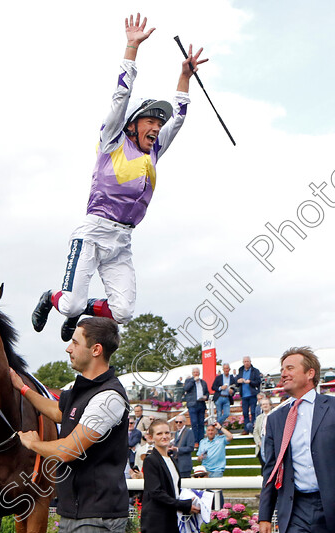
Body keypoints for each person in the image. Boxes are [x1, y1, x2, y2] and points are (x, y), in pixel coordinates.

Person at [31, 12, 208, 342]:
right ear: (131, 124)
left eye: (158, 124)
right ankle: (51, 297)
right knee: (69, 305)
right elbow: (120, 96)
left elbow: (179, 118)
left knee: (124, 312)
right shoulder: (113, 138)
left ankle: (83, 308)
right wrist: (132, 47)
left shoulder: (153, 151)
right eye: (150, 122)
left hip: (123, 241)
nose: (156, 128)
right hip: (93, 232)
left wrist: (184, 76)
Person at [12, 317, 129, 533]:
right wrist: (23, 389)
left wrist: (34, 444)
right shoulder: (82, 387)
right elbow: (59, 412)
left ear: (96, 349)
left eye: (75, 342)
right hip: (75, 514)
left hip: (96, 518)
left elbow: (69, 450)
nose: (68, 348)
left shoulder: (108, 398)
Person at [259, 347, 335, 533]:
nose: (283, 374)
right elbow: (271, 469)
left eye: (290, 368)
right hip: (295, 509)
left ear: (310, 373)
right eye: (282, 369)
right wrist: (264, 516)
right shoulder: (276, 419)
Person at [140, 419, 200, 533]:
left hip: (172, 517)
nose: (164, 436)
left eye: (167, 433)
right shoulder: (150, 460)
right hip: (157, 521)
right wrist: (183, 505)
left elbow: (174, 489)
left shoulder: (172, 459)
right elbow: (156, 492)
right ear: (151, 437)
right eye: (159, 433)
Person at [236, 356, 262, 433]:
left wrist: (250, 382)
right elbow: (236, 382)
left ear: (250, 362)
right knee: (245, 413)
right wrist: (238, 381)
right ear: (243, 362)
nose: (246, 363)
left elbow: (258, 382)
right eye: (245, 361)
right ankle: (246, 429)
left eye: (248, 361)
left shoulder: (255, 371)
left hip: (252, 394)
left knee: (253, 412)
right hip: (244, 395)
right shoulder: (241, 370)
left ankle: (254, 428)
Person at [183, 367, 209, 444]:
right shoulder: (189, 381)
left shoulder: (203, 382)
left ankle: (201, 440)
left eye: (197, 372)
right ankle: (195, 441)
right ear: (192, 373)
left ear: (199, 373)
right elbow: (186, 389)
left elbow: (207, 392)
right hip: (192, 405)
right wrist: (193, 381)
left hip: (201, 404)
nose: (196, 374)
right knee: (194, 423)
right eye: (194, 372)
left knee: (201, 423)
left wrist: (206, 397)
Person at [253, 397, 273, 466]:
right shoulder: (259, 418)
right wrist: (259, 442)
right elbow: (255, 432)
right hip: (262, 441)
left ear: (270, 405)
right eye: (263, 404)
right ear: (261, 406)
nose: (265, 406)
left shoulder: (275, 415)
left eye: (267, 404)